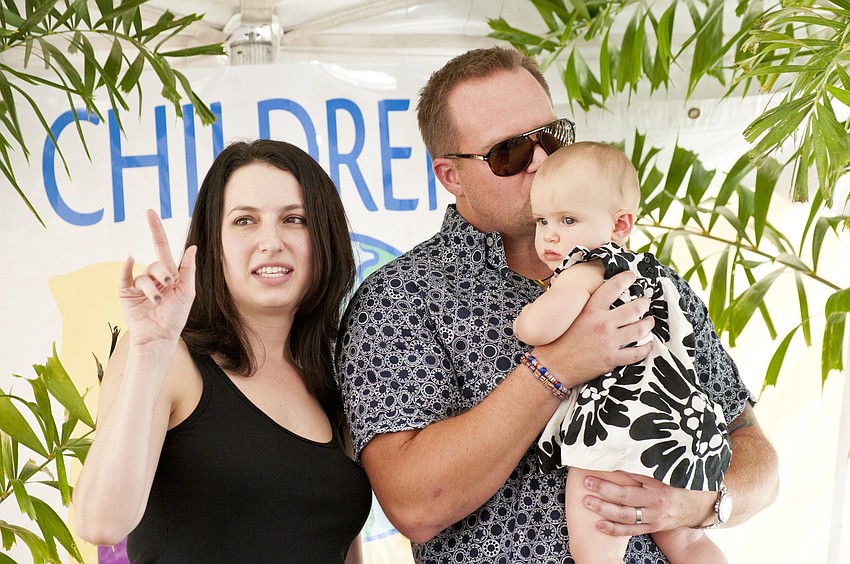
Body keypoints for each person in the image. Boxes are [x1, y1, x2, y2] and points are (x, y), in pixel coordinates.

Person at [337, 46, 778, 563]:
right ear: (451, 176)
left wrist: (698, 505)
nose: (542, 161)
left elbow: (755, 451)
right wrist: (557, 366)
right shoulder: (400, 298)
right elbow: (414, 504)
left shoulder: (644, 277)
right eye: (508, 152)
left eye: (550, 137)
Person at [73, 140, 372, 563]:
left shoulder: (331, 379)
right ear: (213, 245)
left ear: (324, 239)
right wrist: (150, 350)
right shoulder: (168, 358)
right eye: (245, 221)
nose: (271, 242)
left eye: (295, 219)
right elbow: (99, 523)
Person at [513, 141, 730, 563]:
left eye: (568, 219)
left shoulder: (588, 266)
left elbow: (538, 328)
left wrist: (526, 318)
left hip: (620, 423)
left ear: (620, 224)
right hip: (681, 424)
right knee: (687, 542)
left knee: (596, 548)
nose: (550, 234)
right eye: (542, 220)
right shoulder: (652, 272)